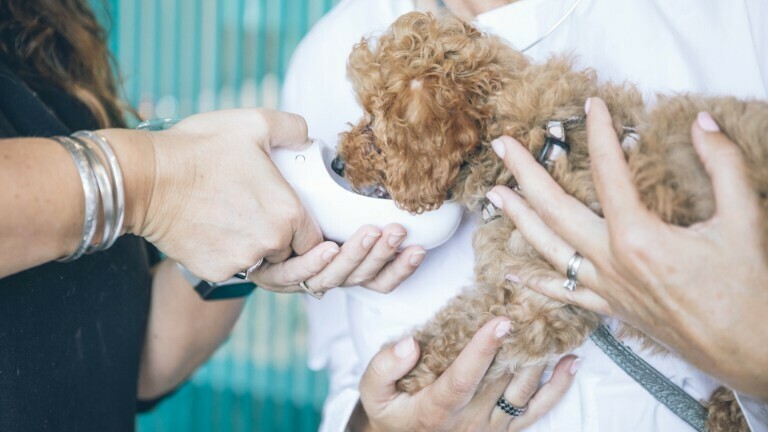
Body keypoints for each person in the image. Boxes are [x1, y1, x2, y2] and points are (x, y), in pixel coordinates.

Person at [281, 0, 768, 430]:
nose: (350, 150)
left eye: (374, 129)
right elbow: (346, 372)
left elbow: (538, 312)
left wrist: (756, 360)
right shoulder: (320, 54)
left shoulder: (740, 14)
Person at [0, 1, 423, 431]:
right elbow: (149, 187)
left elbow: (134, 363)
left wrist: (248, 222)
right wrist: (151, 180)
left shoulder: (41, 30)